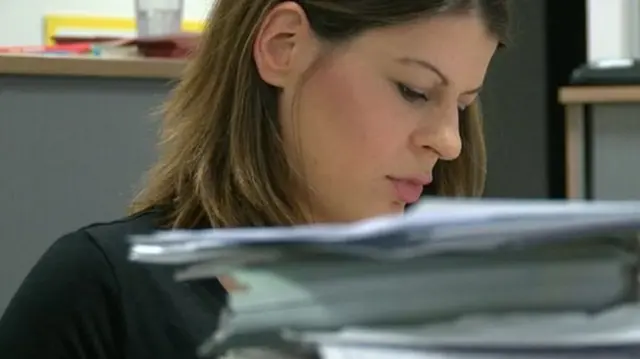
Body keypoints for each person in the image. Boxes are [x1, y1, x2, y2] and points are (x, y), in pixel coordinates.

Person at [0, 0, 510, 358]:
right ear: (283, 45)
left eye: (463, 105)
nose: (449, 142)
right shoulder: (103, 294)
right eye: (415, 90)